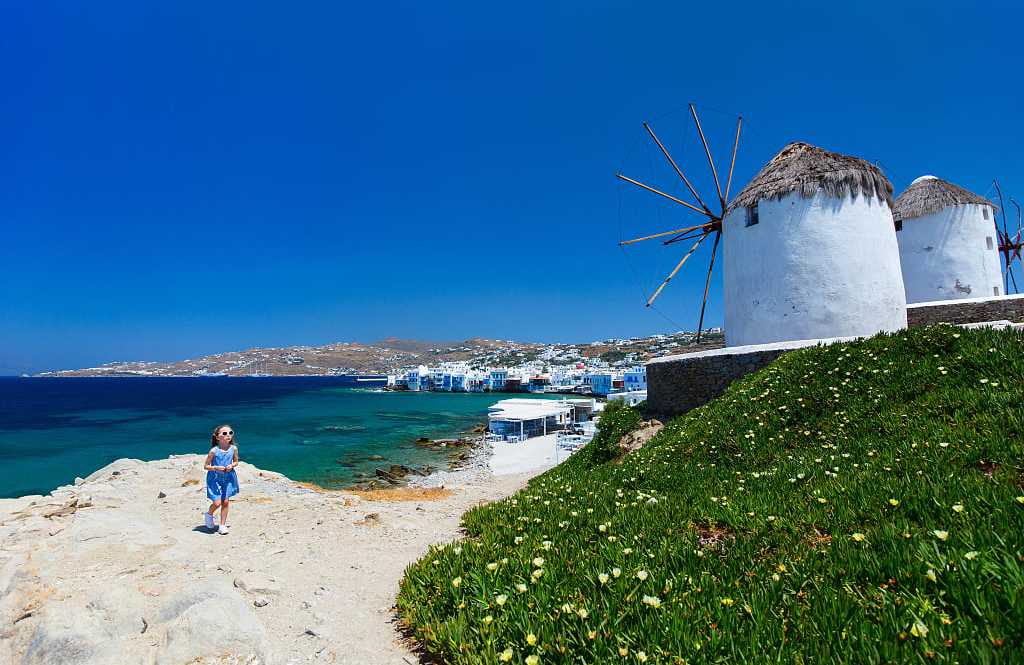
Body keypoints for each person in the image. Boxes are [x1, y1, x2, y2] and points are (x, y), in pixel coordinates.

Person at [203, 424, 240, 534]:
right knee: (217, 502)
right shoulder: (214, 451)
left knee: (225, 502)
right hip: (215, 479)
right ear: (217, 437)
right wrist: (216, 467)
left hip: (228, 478)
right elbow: (206, 466)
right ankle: (209, 514)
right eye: (224, 433)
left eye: (230, 433)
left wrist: (232, 466)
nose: (228, 435)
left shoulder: (233, 449)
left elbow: (236, 461)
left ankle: (222, 525)